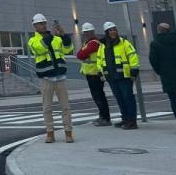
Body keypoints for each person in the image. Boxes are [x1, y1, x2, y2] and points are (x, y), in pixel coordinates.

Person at [27, 14, 74, 143]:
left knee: (66, 107)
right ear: (35, 26)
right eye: (40, 23)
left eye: (44, 23)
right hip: (46, 78)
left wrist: (64, 36)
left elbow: (68, 49)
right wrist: (52, 36)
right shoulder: (33, 40)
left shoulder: (56, 38)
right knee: (47, 107)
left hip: (60, 77)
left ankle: (68, 132)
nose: (43, 25)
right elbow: (40, 49)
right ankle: (50, 133)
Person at [149, 23, 176, 135]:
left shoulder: (155, 44)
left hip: (167, 75)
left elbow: (153, 60)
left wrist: (161, 71)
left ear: (159, 31)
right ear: (169, 30)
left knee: (174, 101)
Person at [97, 22, 140, 130]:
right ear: (106, 32)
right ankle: (125, 119)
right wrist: (100, 72)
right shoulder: (103, 45)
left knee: (128, 98)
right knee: (120, 99)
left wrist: (134, 71)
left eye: (114, 29)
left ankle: (132, 121)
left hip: (124, 76)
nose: (113, 32)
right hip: (111, 77)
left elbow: (133, 56)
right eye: (110, 30)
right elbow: (99, 60)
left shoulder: (124, 43)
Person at [76, 22, 112, 126]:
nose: (86, 34)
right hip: (92, 73)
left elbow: (81, 54)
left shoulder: (93, 43)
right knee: (98, 95)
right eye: (85, 32)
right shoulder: (89, 43)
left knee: (98, 96)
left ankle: (105, 117)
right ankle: (103, 116)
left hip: (95, 73)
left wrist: (81, 54)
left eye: (88, 32)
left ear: (92, 32)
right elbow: (81, 54)